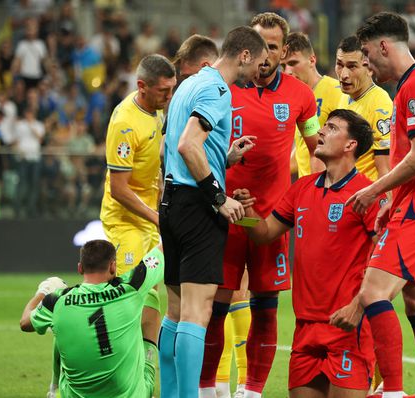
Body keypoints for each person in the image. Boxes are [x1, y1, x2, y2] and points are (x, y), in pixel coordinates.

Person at [200, 13, 322, 398]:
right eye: (259, 45)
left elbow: (318, 150)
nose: (265, 55)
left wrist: (318, 196)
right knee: (216, 305)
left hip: (272, 219)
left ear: (284, 50)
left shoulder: (301, 95)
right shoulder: (225, 88)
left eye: (273, 47)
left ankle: (251, 391)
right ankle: (206, 388)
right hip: (225, 214)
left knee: (266, 306)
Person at [343, 12, 415, 398]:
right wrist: (394, 198)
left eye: (368, 56)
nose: (368, 65)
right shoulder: (413, 85)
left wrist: (377, 190)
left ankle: (390, 390)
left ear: (383, 47)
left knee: (373, 292)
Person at [240, 109, 381, 398]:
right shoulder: (302, 188)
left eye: (331, 128)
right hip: (305, 329)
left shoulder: (366, 193)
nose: (320, 132)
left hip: (346, 327)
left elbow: (383, 259)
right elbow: (265, 233)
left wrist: (358, 306)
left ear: (349, 145)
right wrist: (246, 213)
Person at [158, 26, 267, 398]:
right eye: (260, 63)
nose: (259, 73)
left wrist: (225, 156)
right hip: (195, 207)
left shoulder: (188, 85)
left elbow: (170, 149)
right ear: (245, 56)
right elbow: (190, 144)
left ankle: (172, 394)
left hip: (171, 201)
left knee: (174, 311)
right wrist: (218, 197)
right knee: (197, 311)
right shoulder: (219, 90)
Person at [99, 53, 176, 363]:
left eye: (172, 90)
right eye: (163, 91)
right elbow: (119, 189)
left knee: (153, 294)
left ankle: (145, 366)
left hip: (147, 216)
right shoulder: (124, 123)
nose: (169, 97)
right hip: (125, 221)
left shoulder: (154, 111)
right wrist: (158, 217)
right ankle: (116, 365)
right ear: (142, 86)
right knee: (130, 296)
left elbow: (150, 163)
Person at [19, 240, 164, 398]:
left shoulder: (56, 300)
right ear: (113, 266)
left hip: (77, 394)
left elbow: (25, 323)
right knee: (150, 297)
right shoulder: (131, 286)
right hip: (132, 395)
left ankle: (55, 391)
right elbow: (160, 253)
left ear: (80, 268)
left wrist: (43, 292)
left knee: (59, 324)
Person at [282, 32, 343, 178]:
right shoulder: (295, 98)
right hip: (306, 189)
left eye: (293, 63)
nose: (287, 72)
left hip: (331, 188)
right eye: (283, 66)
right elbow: (303, 148)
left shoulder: (337, 91)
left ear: (312, 60)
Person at [335, 35, 392, 181]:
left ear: (370, 69)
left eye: (352, 66)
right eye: (340, 64)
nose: (344, 75)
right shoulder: (344, 96)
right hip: (344, 194)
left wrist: (386, 202)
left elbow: (385, 167)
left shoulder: (380, 104)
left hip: (366, 197)